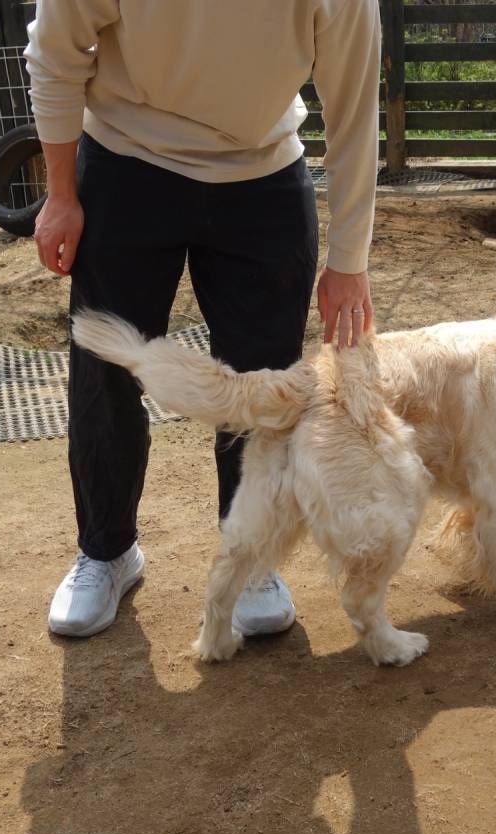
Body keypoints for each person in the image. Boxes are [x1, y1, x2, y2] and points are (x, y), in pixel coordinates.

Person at [24, 1, 381, 638]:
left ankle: (252, 558)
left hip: (262, 169)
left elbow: (355, 103)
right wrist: (60, 193)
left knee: (264, 384)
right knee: (105, 368)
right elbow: (55, 49)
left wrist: (349, 260)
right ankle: (107, 551)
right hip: (125, 158)